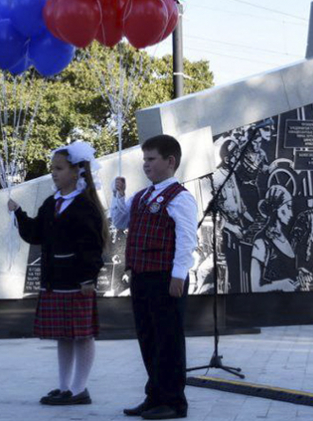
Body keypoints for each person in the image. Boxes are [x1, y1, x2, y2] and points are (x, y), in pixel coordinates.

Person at [8, 141, 107, 406]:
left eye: (59, 168)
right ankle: (65, 387)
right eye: (52, 168)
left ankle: (79, 389)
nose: (53, 173)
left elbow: (92, 246)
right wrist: (18, 214)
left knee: (82, 335)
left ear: (76, 171)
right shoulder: (52, 202)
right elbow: (36, 234)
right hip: (54, 280)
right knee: (64, 336)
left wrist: (88, 277)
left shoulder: (84, 206)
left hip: (77, 281)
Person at [112, 134, 197, 420]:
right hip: (141, 275)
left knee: (168, 339)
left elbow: (186, 238)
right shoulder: (142, 195)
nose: (145, 164)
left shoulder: (180, 197)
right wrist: (118, 195)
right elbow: (120, 220)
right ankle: (155, 395)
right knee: (148, 337)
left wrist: (179, 275)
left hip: (165, 276)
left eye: (151, 159)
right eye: (144, 159)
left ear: (170, 161)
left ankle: (174, 401)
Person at [249, 185, 299, 293]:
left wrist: (300, 275)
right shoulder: (261, 242)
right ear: (277, 208)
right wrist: (280, 285)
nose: (291, 214)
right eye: (288, 207)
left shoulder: (287, 239)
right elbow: (255, 288)